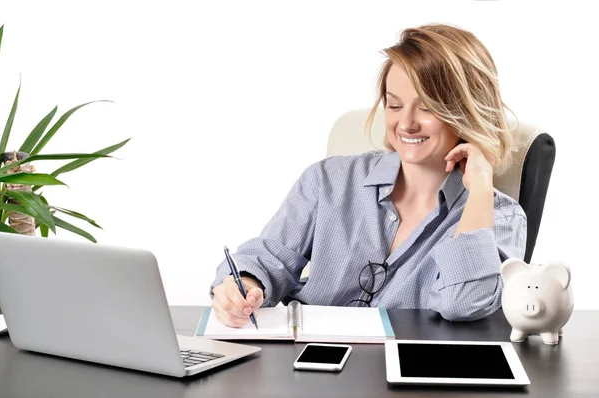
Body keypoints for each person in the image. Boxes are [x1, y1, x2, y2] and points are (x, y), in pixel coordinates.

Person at [210, 23, 527, 327]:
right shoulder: (327, 181)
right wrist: (242, 287)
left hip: (409, 375)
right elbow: (267, 258)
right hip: (308, 369)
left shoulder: (500, 216)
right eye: (394, 105)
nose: (406, 124)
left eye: (427, 107)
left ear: (467, 112)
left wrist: (482, 187)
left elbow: (466, 302)